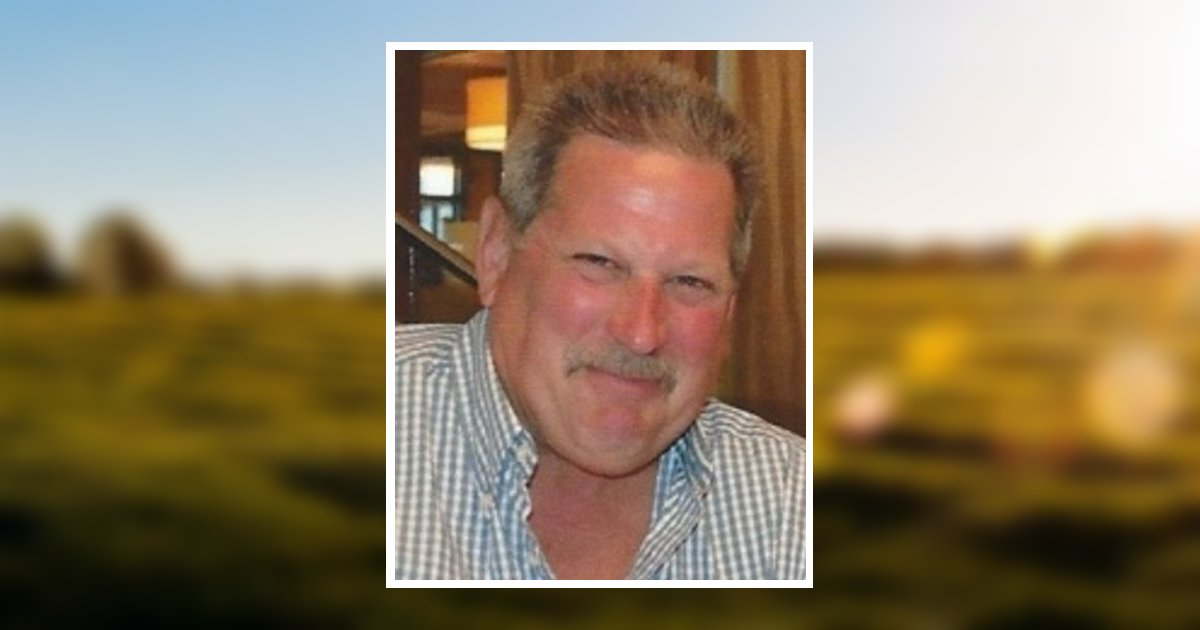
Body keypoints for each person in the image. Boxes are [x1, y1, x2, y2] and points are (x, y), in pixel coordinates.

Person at [395, 63, 806, 580]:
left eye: (690, 282)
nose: (642, 333)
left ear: (730, 310)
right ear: (496, 253)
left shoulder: (791, 507)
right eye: (600, 263)